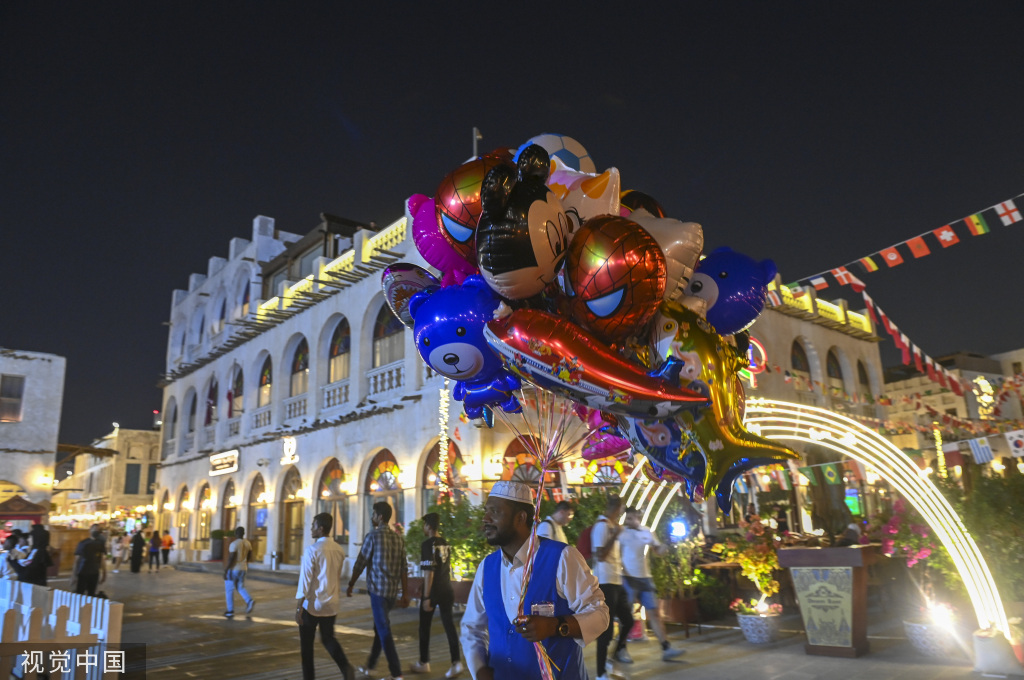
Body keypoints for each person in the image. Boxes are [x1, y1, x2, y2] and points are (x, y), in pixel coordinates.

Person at [460, 480, 609, 680]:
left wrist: (555, 626)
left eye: (495, 512)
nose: (485, 519)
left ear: (520, 518)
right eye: (486, 511)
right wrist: (480, 670)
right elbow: (472, 628)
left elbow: (600, 614)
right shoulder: (487, 568)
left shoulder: (562, 558)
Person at [347, 501, 408, 680]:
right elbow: (404, 568)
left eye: (374, 514)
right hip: (391, 592)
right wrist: (405, 593)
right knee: (379, 627)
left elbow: (361, 562)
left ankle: (396, 673)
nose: (372, 517)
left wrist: (351, 583)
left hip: (378, 592)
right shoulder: (398, 538)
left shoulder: (372, 536)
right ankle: (371, 665)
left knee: (383, 630)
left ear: (380, 517)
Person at [618, 508, 685, 661]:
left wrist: (668, 543)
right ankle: (621, 649)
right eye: (628, 518)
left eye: (633, 517)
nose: (631, 520)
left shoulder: (647, 531)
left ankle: (666, 647)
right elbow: (616, 555)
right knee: (626, 615)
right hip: (627, 577)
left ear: (639, 518)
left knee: (654, 612)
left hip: (645, 578)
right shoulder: (621, 533)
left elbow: (658, 551)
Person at [296, 512, 355, 680]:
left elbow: (305, 581)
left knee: (306, 646)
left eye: (313, 526)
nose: (310, 529)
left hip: (313, 604)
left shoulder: (312, 550)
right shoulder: (339, 550)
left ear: (321, 529)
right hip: (331, 603)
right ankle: (345, 666)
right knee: (328, 638)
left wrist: (299, 607)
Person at [412, 512, 462, 678]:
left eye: (424, 525)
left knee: (424, 626)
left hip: (433, 591)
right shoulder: (445, 543)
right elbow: (442, 569)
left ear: (428, 526)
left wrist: (426, 596)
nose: (423, 528)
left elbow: (429, 572)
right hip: (447, 589)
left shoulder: (428, 544)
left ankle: (423, 662)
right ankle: (456, 662)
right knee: (449, 627)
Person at [593, 494, 634, 680]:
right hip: (606, 581)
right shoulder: (601, 526)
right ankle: (601, 673)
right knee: (606, 630)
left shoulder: (611, 526)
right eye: (621, 509)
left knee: (628, 620)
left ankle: (615, 654)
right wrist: (614, 536)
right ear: (617, 508)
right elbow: (600, 555)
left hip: (616, 580)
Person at [224, 526, 255, 619]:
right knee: (240, 586)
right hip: (243, 568)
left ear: (236, 533)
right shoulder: (247, 543)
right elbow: (249, 556)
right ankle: (249, 600)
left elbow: (231, 557)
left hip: (234, 569)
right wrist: (244, 562)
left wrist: (226, 569)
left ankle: (230, 611)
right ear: (243, 533)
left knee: (229, 589)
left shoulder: (234, 544)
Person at [70, 524, 107, 596]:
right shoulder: (83, 543)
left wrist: (104, 573)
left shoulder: (100, 544)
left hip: (94, 572)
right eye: (94, 529)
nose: (96, 531)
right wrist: (74, 575)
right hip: (83, 572)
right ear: (90, 530)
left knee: (92, 594)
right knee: (80, 593)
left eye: (98, 530)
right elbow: (76, 561)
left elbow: (102, 559)